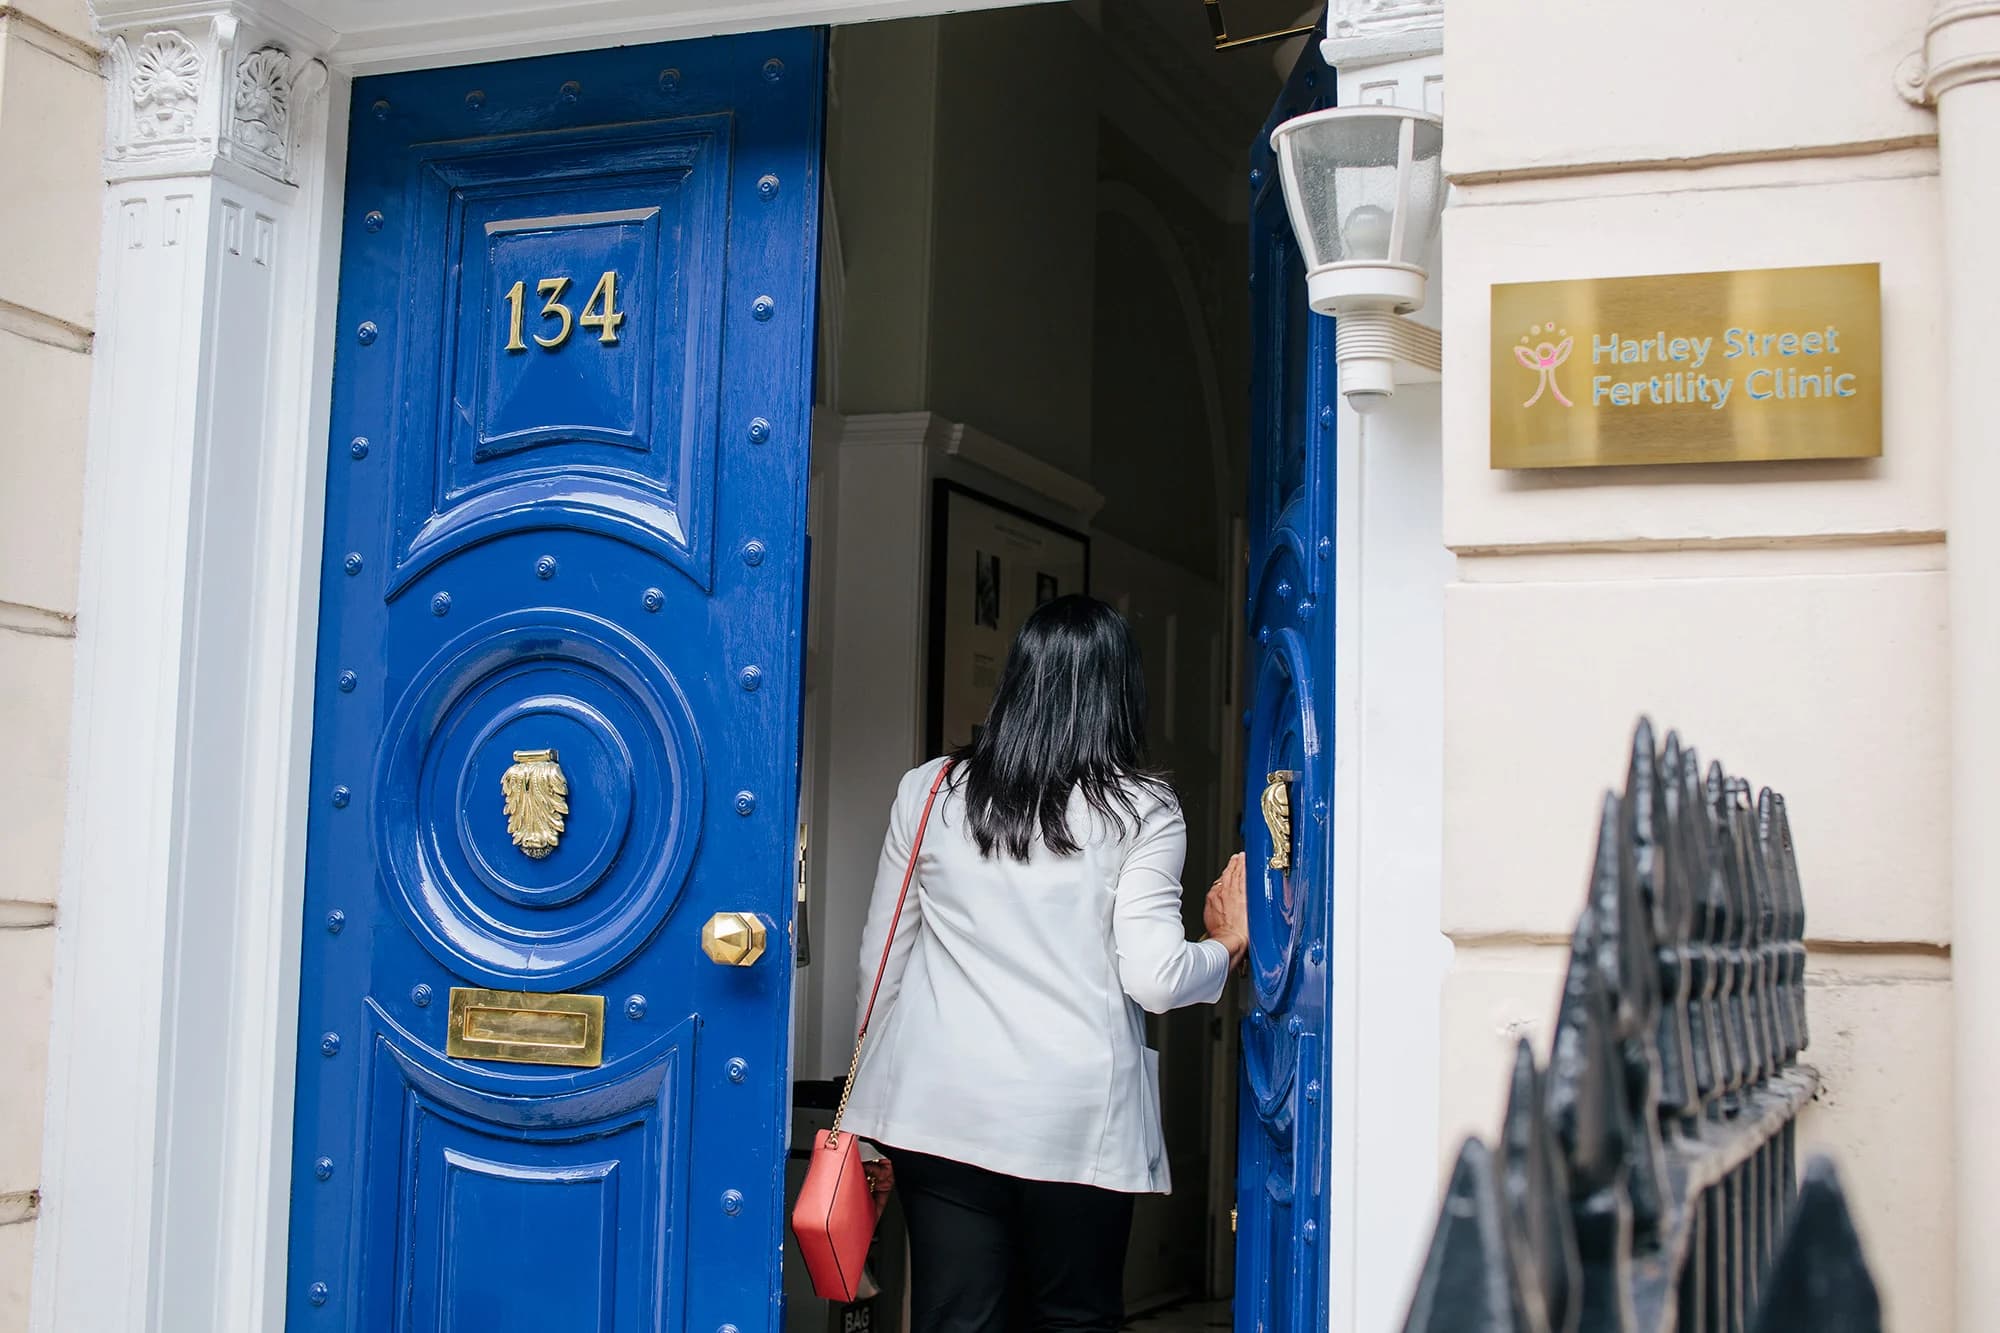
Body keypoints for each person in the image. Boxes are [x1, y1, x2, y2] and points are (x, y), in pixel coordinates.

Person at [839, 595, 1250, 1333]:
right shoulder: (1142, 809)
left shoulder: (932, 789)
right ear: (1121, 692)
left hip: (939, 1108)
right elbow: (1155, 978)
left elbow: (881, 966)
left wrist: (869, 1114)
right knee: (1074, 1317)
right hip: (1074, 1115)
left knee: (955, 1317)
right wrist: (1225, 946)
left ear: (1018, 680)